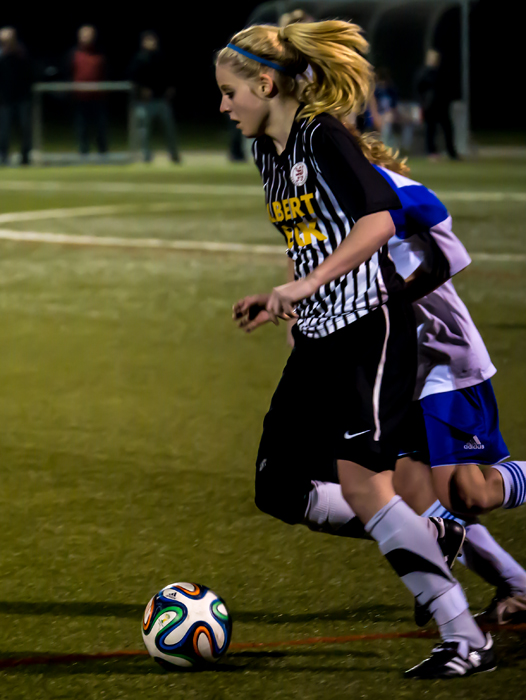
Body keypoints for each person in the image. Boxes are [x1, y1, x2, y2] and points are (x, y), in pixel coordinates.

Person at [217, 20, 494, 678]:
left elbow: (379, 218)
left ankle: (463, 634)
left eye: (230, 92)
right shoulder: (268, 151)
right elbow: (309, 233)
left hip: (370, 330)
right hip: (319, 335)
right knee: (277, 487)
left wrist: (308, 282)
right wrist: (285, 294)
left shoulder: (322, 136)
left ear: (265, 83)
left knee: (365, 486)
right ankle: (430, 534)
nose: (223, 106)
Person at [236, 135, 526, 628]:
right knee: (413, 495)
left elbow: (445, 259)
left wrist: (379, 302)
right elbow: (318, 269)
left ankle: (501, 587)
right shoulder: (322, 207)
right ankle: (509, 584)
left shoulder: (393, 190)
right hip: (384, 365)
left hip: (439, 360)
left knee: (466, 494)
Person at [129, 31, 180, 163]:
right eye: (148, 41)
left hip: (162, 100)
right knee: (145, 131)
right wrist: (141, 90)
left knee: (169, 129)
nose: (151, 43)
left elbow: (170, 74)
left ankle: (174, 154)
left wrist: (170, 88)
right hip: (145, 102)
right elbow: (134, 78)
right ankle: (147, 156)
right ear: (143, 43)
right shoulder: (139, 58)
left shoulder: (162, 57)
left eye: (153, 41)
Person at [70, 25, 108, 156]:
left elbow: (106, 73)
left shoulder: (100, 53)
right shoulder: (73, 53)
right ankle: (83, 153)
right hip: (80, 99)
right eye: (84, 34)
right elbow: (68, 72)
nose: (87, 37)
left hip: (98, 98)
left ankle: (103, 154)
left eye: (89, 34)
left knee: (101, 128)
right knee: (82, 128)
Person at [416, 49, 458, 161]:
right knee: (431, 130)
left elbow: (447, 89)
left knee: (447, 129)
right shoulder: (424, 73)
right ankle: (431, 152)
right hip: (430, 106)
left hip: (441, 106)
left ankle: (451, 152)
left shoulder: (441, 73)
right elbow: (419, 90)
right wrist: (422, 104)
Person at [0, 26, 33, 165]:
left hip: (22, 98)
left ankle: (25, 156)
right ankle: (3, 156)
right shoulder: (1, 55)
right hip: (4, 99)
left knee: (25, 128)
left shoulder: (22, 53)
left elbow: (30, 72)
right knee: (4, 130)